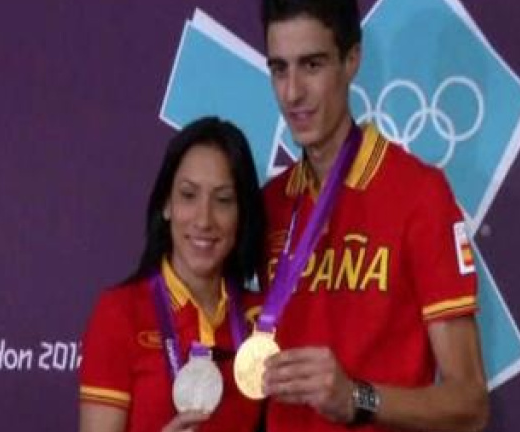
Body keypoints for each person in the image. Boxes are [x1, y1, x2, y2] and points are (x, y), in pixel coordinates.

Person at [257, 1, 489, 431]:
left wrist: (357, 398)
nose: (292, 93)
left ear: (351, 60)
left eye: (312, 65)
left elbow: (470, 402)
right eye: (279, 69)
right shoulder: (268, 204)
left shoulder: (418, 194)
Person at [79, 117, 266, 432]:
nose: (204, 220)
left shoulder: (261, 319)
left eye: (223, 200)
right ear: (166, 204)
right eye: (188, 195)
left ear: (242, 213)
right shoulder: (120, 312)